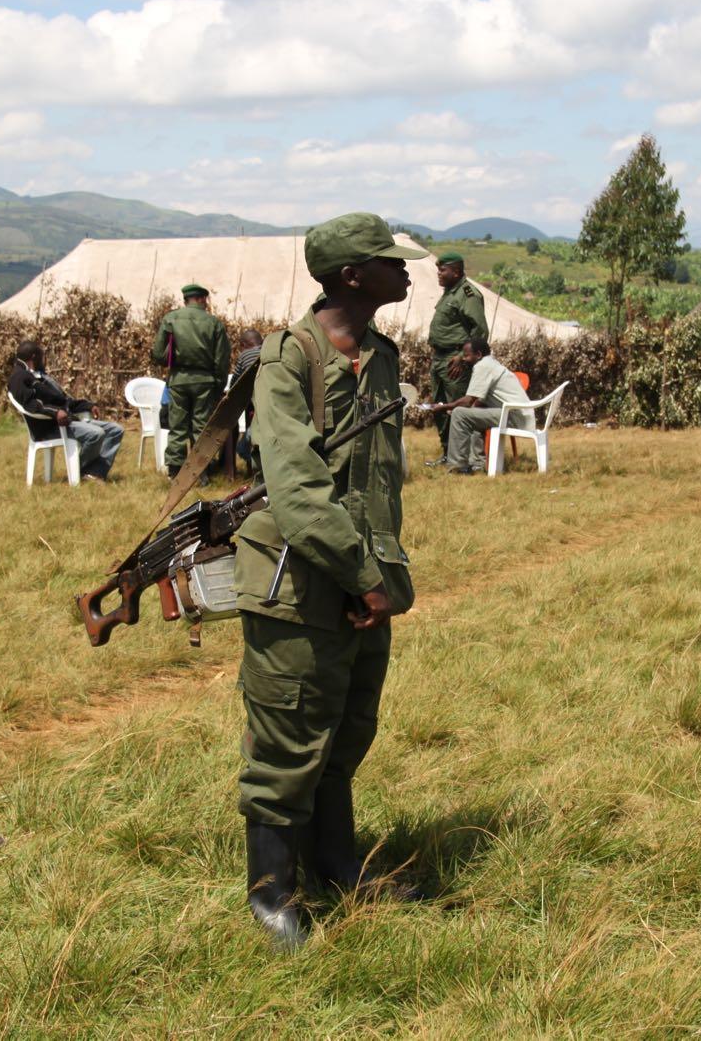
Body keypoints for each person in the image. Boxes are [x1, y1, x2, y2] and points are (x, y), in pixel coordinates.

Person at [234, 212, 424, 949]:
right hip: (299, 579)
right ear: (351, 275)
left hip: (365, 581)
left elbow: (377, 479)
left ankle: (340, 869)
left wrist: (379, 578)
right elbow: (298, 486)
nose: (404, 270)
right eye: (388, 261)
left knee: (345, 731)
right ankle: (272, 892)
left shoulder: (381, 356)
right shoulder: (290, 359)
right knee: (288, 735)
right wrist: (360, 574)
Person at [7, 340, 124, 482]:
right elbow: (30, 405)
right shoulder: (18, 377)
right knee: (96, 434)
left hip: (66, 421)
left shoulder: (39, 376)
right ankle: (81, 472)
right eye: (41, 355)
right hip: (49, 428)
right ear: (34, 357)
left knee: (116, 430)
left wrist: (87, 406)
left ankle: (93, 472)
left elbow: (63, 400)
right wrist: (55, 413)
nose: (44, 359)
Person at [151, 284, 232, 477]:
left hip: (179, 379)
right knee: (202, 426)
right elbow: (222, 359)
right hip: (205, 381)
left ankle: (175, 469)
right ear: (203, 299)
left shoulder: (171, 319)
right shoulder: (214, 323)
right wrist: (219, 384)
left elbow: (158, 354)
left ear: (186, 299)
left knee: (177, 425)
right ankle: (201, 471)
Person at [427, 338, 534, 475]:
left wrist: (444, 407)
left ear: (478, 354)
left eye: (466, 355)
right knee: (471, 412)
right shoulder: (489, 363)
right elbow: (476, 402)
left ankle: (457, 467)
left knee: (460, 414)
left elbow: (468, 400)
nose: (464, 359)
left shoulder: (482, 366)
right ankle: (477, 463)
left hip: (514, 417)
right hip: (517, 415)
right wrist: (459, 408)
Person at [423, 252, 489, 466]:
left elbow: (480, 331)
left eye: (443, 270)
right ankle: (448, 454)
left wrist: (462, 357)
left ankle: (469, 459)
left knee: (458, 408)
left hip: (456, 359)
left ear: (457, 271)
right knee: (440, 406)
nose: (439, 274)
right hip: (440, 357)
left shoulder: (468, 294)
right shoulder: (450, 292)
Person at [231, 327, 264, 475]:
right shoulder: (274, 351)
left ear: (244, 345)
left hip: (256, 409)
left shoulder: (245, 355)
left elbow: (235, 382)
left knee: (242, 448)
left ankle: (257, 470)